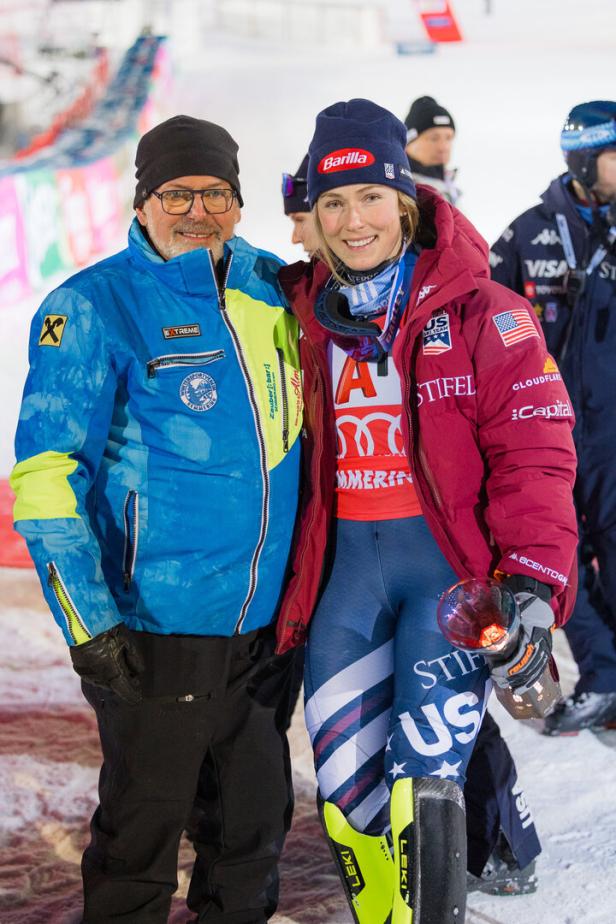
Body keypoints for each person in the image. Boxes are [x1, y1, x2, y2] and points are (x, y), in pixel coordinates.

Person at [275, 98, 578, 923]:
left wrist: (531, 584)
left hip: (444, 584)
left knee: (428, 782)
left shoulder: (488, 313)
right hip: (344, 584)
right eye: (332, 203)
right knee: (344, 789)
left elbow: (537, 458)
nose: (353, 219)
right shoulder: (298, 314)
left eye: (370, 196)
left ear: (405, 199)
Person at [10, 114, 303, 924]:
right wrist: (89, 623)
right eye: (177, 192)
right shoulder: (93, 305)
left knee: (250, 836)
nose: (197, 210)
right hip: (152, 632)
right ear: (141, 202)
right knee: (140, 843)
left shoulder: (271, 289)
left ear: (239, 204)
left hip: (263, 633)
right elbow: (43, 477)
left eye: (216, 193)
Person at [490, 100, 616, 735]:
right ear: (585, 158)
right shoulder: (529, 232)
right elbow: (482, 315)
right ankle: (603, 678)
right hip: (550, 432)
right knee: (561, 560)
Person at [404, 94, 461, 205]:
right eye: (434, 139)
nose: (443, 147)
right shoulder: (403, 192)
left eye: (448, 138)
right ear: (409, 142)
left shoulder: (448, 188)